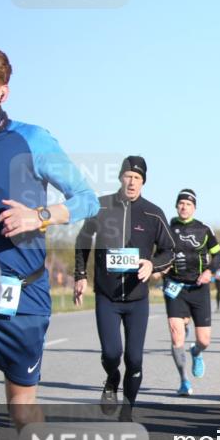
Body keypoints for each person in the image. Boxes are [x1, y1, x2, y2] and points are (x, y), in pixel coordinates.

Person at [0, 44, 100, 424]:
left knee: (22, 410)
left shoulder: (31, 140)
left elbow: (87, 199)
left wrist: (40, 216)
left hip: (23, 298)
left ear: (3, 91)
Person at [75, 156, 175, 420]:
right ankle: (111, 378)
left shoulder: (153, 213)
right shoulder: (101, 206)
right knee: (111, 353)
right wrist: (80, 274)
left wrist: (152, 265)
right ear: (120, 178)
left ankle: (128, 409)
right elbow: (83, 239)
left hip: (136, 297)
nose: (132, 182)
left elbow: (169, 250)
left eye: (138, 178)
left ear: (144, 182)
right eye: (128, 176)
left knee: (134, 359)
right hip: (107, 295)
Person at [163, 189, 220, 396]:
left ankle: (196, 352)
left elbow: (217, 256)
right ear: (176, 206)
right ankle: (184, 381)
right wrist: (158, 267)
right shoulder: (167, 229)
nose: (184, 207)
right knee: (176, 334)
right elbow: (159, 255)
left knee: (204, 339)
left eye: (188, 204)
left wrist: (209, 271)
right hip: (175, 287)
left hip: (199, 287)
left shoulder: (204, 230)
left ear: (194, 208)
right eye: (180, 203)